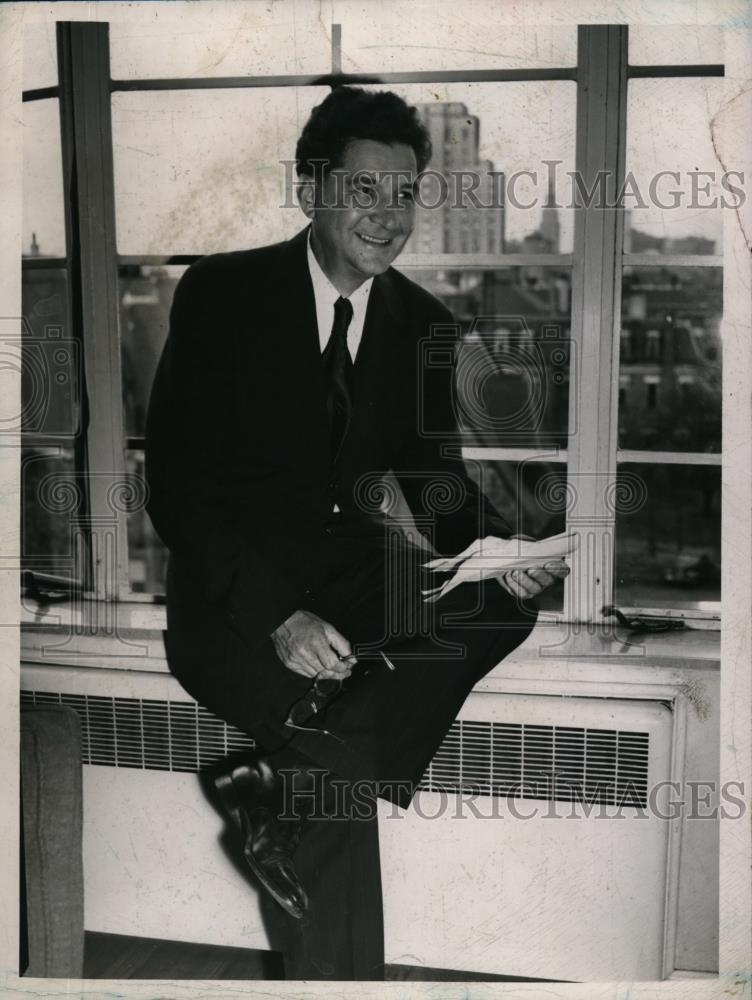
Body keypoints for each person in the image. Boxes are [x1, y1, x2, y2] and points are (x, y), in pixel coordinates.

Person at [144, 85, 568, 981]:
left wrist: (496, 550)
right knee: (339, 800)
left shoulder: (424, 324)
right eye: (365, 192)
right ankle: (295, 794)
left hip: (349, 575)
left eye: (405, 194)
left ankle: (282, 784)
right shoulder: (221, 296)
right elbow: (179, 490)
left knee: (496, 605)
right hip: (233, 606)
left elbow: (435, 482)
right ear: (312, 191)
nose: (388, 217)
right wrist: (279, 619)